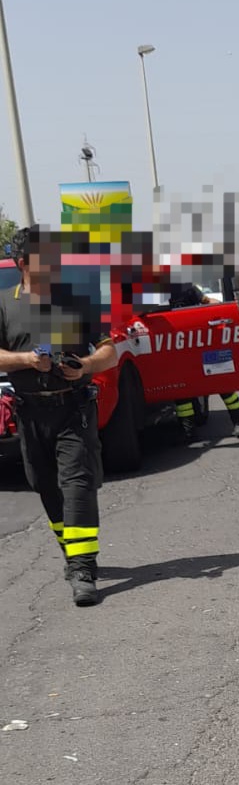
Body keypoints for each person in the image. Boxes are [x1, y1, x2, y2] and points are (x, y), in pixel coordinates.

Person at [0, 227, 118, 606]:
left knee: (77, 483)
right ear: (22, 264)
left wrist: (83, 365)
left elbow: (109, 352)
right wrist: (25, 360)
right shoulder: (4, 304)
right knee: (45, 485)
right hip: (30, 412)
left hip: (73, 408)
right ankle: (71, 551)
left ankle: (84, 568)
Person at [168, 281, 239, 440]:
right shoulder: (155, 294)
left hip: (199, 342)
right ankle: (188, 431)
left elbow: (206, 301)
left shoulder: (186, 287)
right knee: (182, 391)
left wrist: (224, 311)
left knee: (221, 383)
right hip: (178, 348)